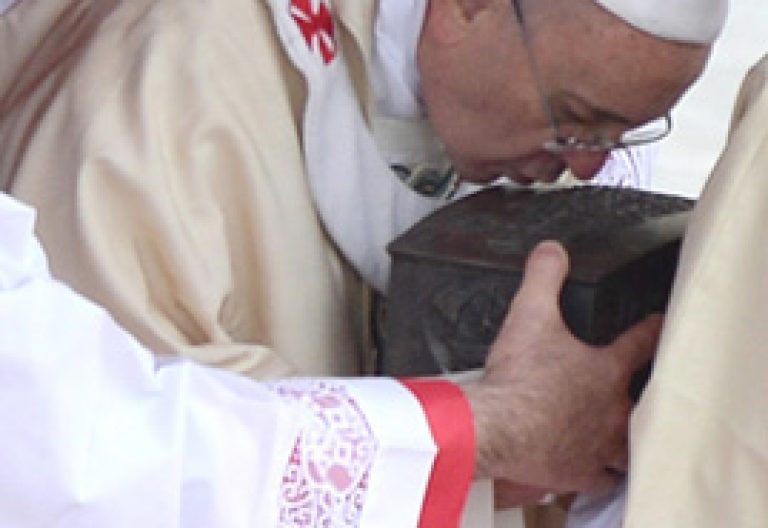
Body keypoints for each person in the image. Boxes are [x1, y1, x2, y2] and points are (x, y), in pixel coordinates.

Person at [0, 0, 725, 525]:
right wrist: (495, 431)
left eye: (621, 133)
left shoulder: (549, 118)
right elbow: (108, 460)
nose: (589, 163)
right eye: (575, 116)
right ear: (469, 8)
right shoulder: (162, 90)